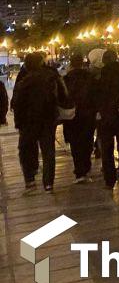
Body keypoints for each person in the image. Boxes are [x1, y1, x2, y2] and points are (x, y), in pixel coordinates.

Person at [12, 52, 67, 193]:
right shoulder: (52, 76)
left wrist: (18, 123)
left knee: (26, 149)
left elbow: (17, 104)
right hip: (48, 118)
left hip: (28, 122)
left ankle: (30, 180)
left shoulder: (24, 81)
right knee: (48, 151)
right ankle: (49, 183)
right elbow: (63, 95)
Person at [93, 49, 119, 188]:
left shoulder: (98, 78)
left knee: (106, 148)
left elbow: (95, 98)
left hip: (105, 117)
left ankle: (109, 179)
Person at [63, 51, 98, 183]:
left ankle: (79, 171)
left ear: (71, 64)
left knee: (75, 143)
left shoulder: (66, 79)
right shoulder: (91, 78)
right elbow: (95, 96)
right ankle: (86, 166)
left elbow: (63, 98)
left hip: (72, 116)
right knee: (87, 141)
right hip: (88, 115)